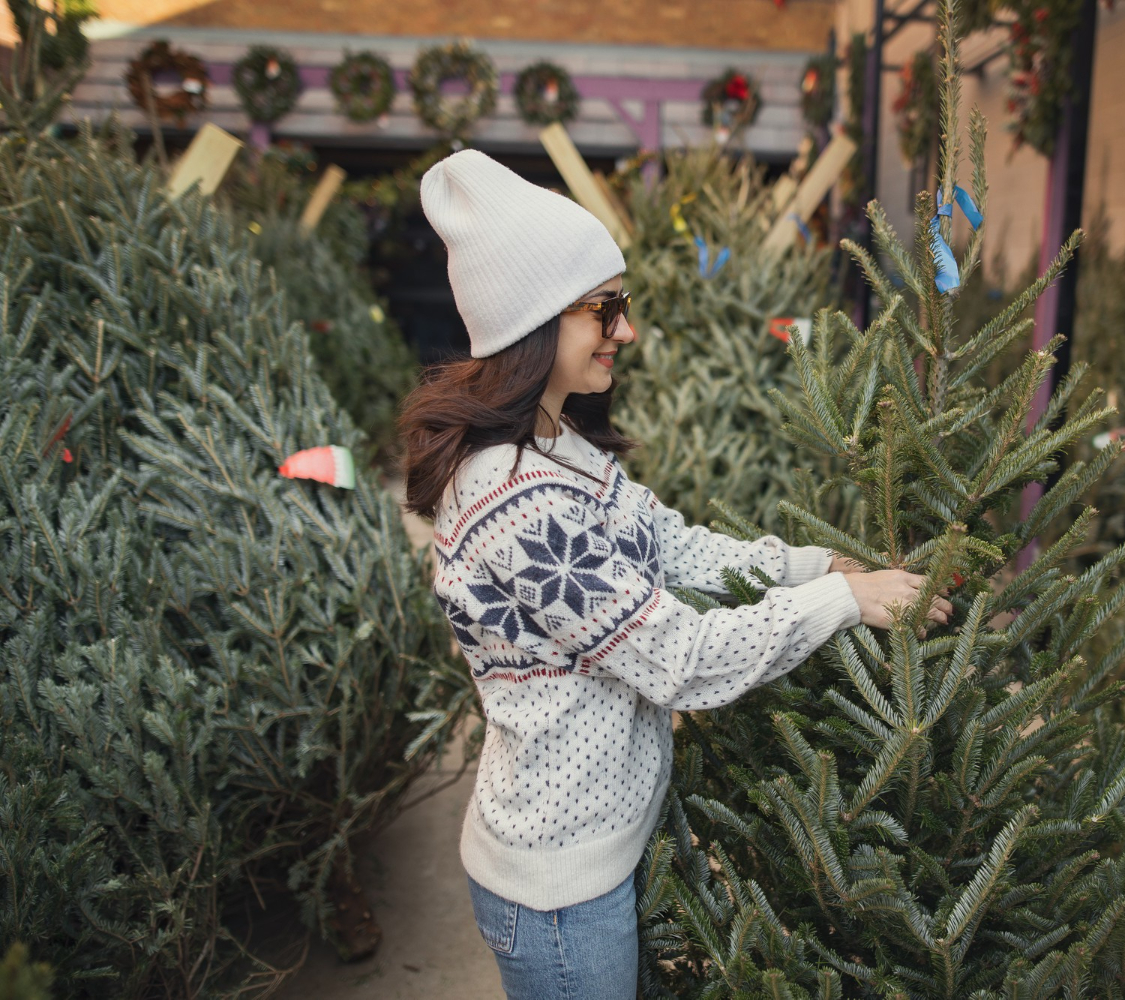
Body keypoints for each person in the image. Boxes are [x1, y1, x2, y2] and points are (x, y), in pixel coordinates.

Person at [398, 150, 951, 1000]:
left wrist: (813, 562)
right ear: (534, 320)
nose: (628, 331)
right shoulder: (513, 499)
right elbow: (676, 660)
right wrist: (843, 600)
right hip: (557, 890)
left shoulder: (559, 448)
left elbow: (676, 545)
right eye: (605, 310)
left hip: (605, 849)